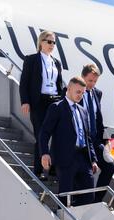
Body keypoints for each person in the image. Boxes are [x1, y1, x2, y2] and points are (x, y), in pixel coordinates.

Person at [39, 76, 98, 207]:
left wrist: (93, 159)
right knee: (65, 194)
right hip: (65, 158)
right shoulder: (57, 107)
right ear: (69, 89)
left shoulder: (83, 111)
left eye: (83, 93)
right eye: (78, 92)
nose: (80, 96)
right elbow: (45, 132)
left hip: (83, 157)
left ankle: (76, 218)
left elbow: (87, 137)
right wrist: (44, 153)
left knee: (89, 195)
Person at [19, 30, 63, 180]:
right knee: (40, 134)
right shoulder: (31, 60)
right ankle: (38, 170)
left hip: (55, 100)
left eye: (54, 42)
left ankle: (53, 167)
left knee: (57, 134)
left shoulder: (56, 62)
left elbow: (59, 84)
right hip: (39, 101)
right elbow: (24, 82)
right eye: (48, 41)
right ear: (41, 42)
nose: (51, 45)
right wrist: (25, 101)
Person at [81, 64, 114, 202]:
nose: (92, 84)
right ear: (83, 77)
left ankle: (97, 200)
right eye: (89, 80)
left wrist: (106, 140)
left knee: (109, 166)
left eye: (95, 81)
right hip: (81, 138)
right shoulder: (74, 91)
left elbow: (98, 119)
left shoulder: (97, 93)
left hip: (95, 139)